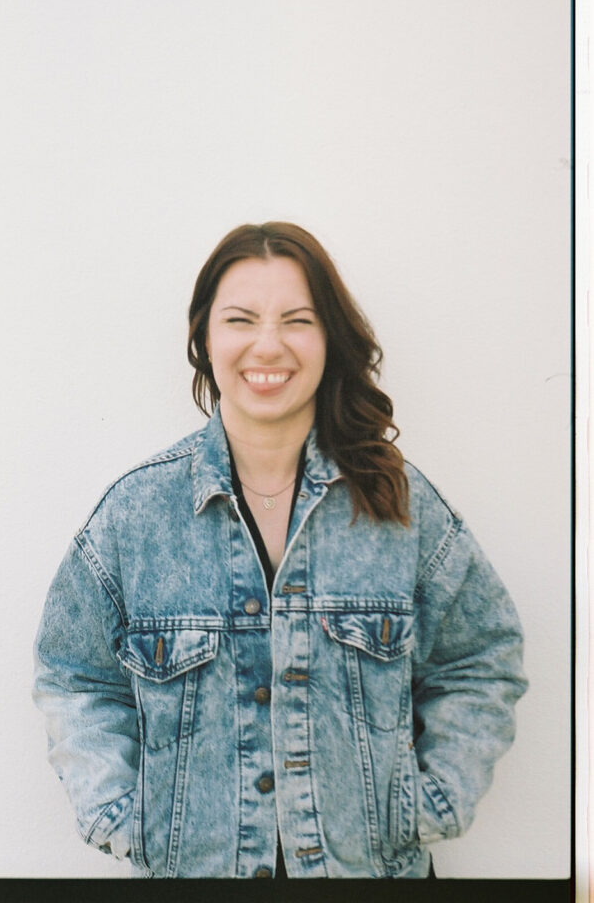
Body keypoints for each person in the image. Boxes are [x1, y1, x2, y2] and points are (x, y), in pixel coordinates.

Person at [32, 221, 527, 879]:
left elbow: (482, 659)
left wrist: (427, 805)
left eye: (298, 319)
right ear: (205, 337)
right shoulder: (135, 516)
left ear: (330, 340)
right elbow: (74, 678)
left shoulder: (399, 506)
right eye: (240, 319)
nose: (268, 344)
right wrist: (126, 819)